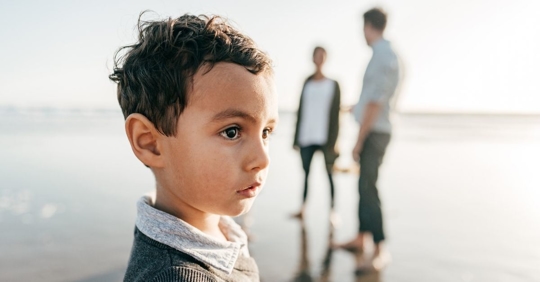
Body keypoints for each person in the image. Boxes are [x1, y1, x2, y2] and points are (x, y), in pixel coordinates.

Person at [109, 13, 277, 282]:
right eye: (232, 132)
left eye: (266, 131)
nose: (262, 159)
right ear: (150, 142)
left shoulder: (219, 229)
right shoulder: (176, 276)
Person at [337, 8, 400, 270]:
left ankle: (380, 249)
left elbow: (376, 103)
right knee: (363, 185)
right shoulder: (385, 54)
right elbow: (371, 101)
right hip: (376, 128)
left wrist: (359, 140)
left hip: (375, 132)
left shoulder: (383, 56)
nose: (361, 33)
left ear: (369, 26)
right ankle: (361, 239)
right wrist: (355, 108)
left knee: (369, 187)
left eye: (362, 27)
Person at [292, 47, 341, 222]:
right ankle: (302, 208)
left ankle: (332, 212)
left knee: (329, 174)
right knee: (306, 174)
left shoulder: (333, 84)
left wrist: (335, 141)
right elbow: (300, 111)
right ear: (312, 58)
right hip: (306, 136)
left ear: (326, 59)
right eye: (316, 55)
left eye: (322, 56)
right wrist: (295, 138)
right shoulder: (307, 82)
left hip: (326, 138)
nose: (319, 59)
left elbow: (336, 116)